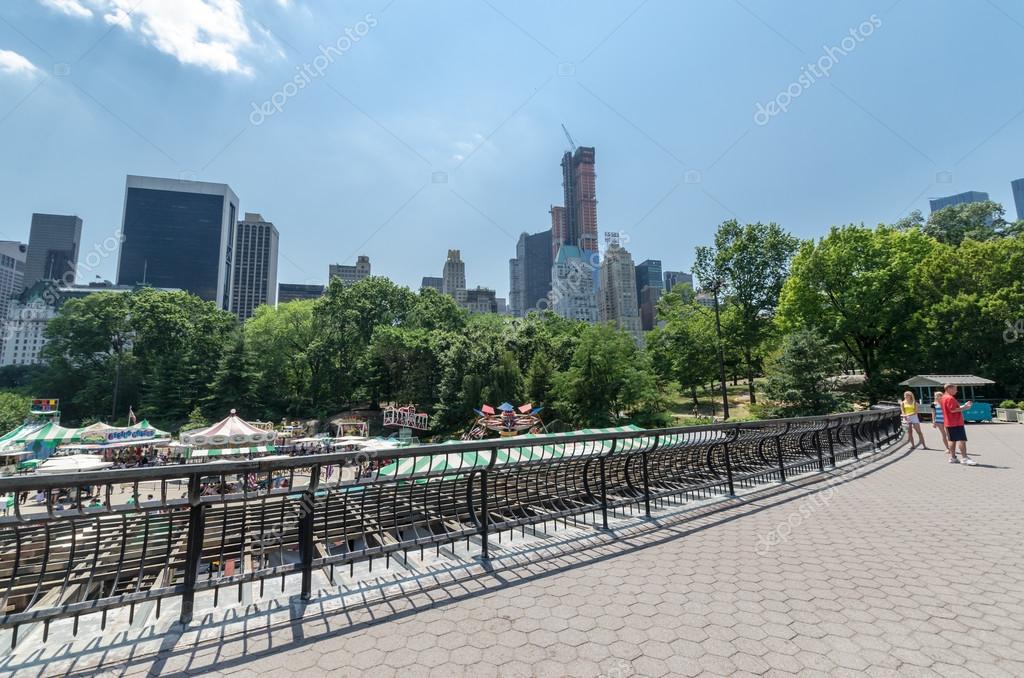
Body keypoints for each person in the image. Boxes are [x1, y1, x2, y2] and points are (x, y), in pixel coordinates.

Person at [940, 383, 976, 465]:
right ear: (949, 388)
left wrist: (963, 406)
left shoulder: (944, 397)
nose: (956, 390)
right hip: (956, 422)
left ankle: (953, 458)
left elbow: (952, 409)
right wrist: (966, 407)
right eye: (955, 389)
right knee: (962, 440)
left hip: (949, 423)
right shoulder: (950, 398)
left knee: (952, 440)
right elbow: (953, 410)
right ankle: (964, 458)